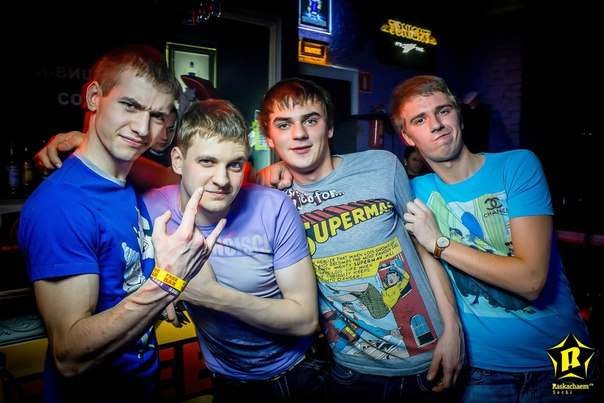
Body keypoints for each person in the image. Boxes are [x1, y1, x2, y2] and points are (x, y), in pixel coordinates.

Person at [17, 44, 224, 403]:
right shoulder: (62, 206)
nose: (142, 129)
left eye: (157, 116)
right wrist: (166, 283)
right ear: (94, 97)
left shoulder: (124, 183)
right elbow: (69, 356)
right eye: (129, 105)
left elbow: (177, 179)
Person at [258, 78, 463, 402]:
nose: (299, 134)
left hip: (429, 359)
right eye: (284, 125)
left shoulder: (382, 166)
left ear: (329, 128)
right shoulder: (271, 198)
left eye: (311, 120)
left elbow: (424, 249)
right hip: (350, 372)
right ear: (269, 138)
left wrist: (453, 330)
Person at [391, 75, 593, 402]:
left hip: (565, 354)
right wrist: (450, 330)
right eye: (420, 119)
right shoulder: (414, 192)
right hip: (480, 364)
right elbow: (433, 270)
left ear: (458, 116)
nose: (436, 125)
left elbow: (531, 280)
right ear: (407, 136)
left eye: (443, 111)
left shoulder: (517, 165)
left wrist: (439, 242)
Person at [142, 98, 325, 402]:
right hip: (224, 377)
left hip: (294, 374)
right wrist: (161, 283)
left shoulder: (273, 208)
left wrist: (211, 295)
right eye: (207, 162)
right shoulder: (153, 210)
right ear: (178, 161)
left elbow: (305, 319)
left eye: (234, 165)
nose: (222, 180)